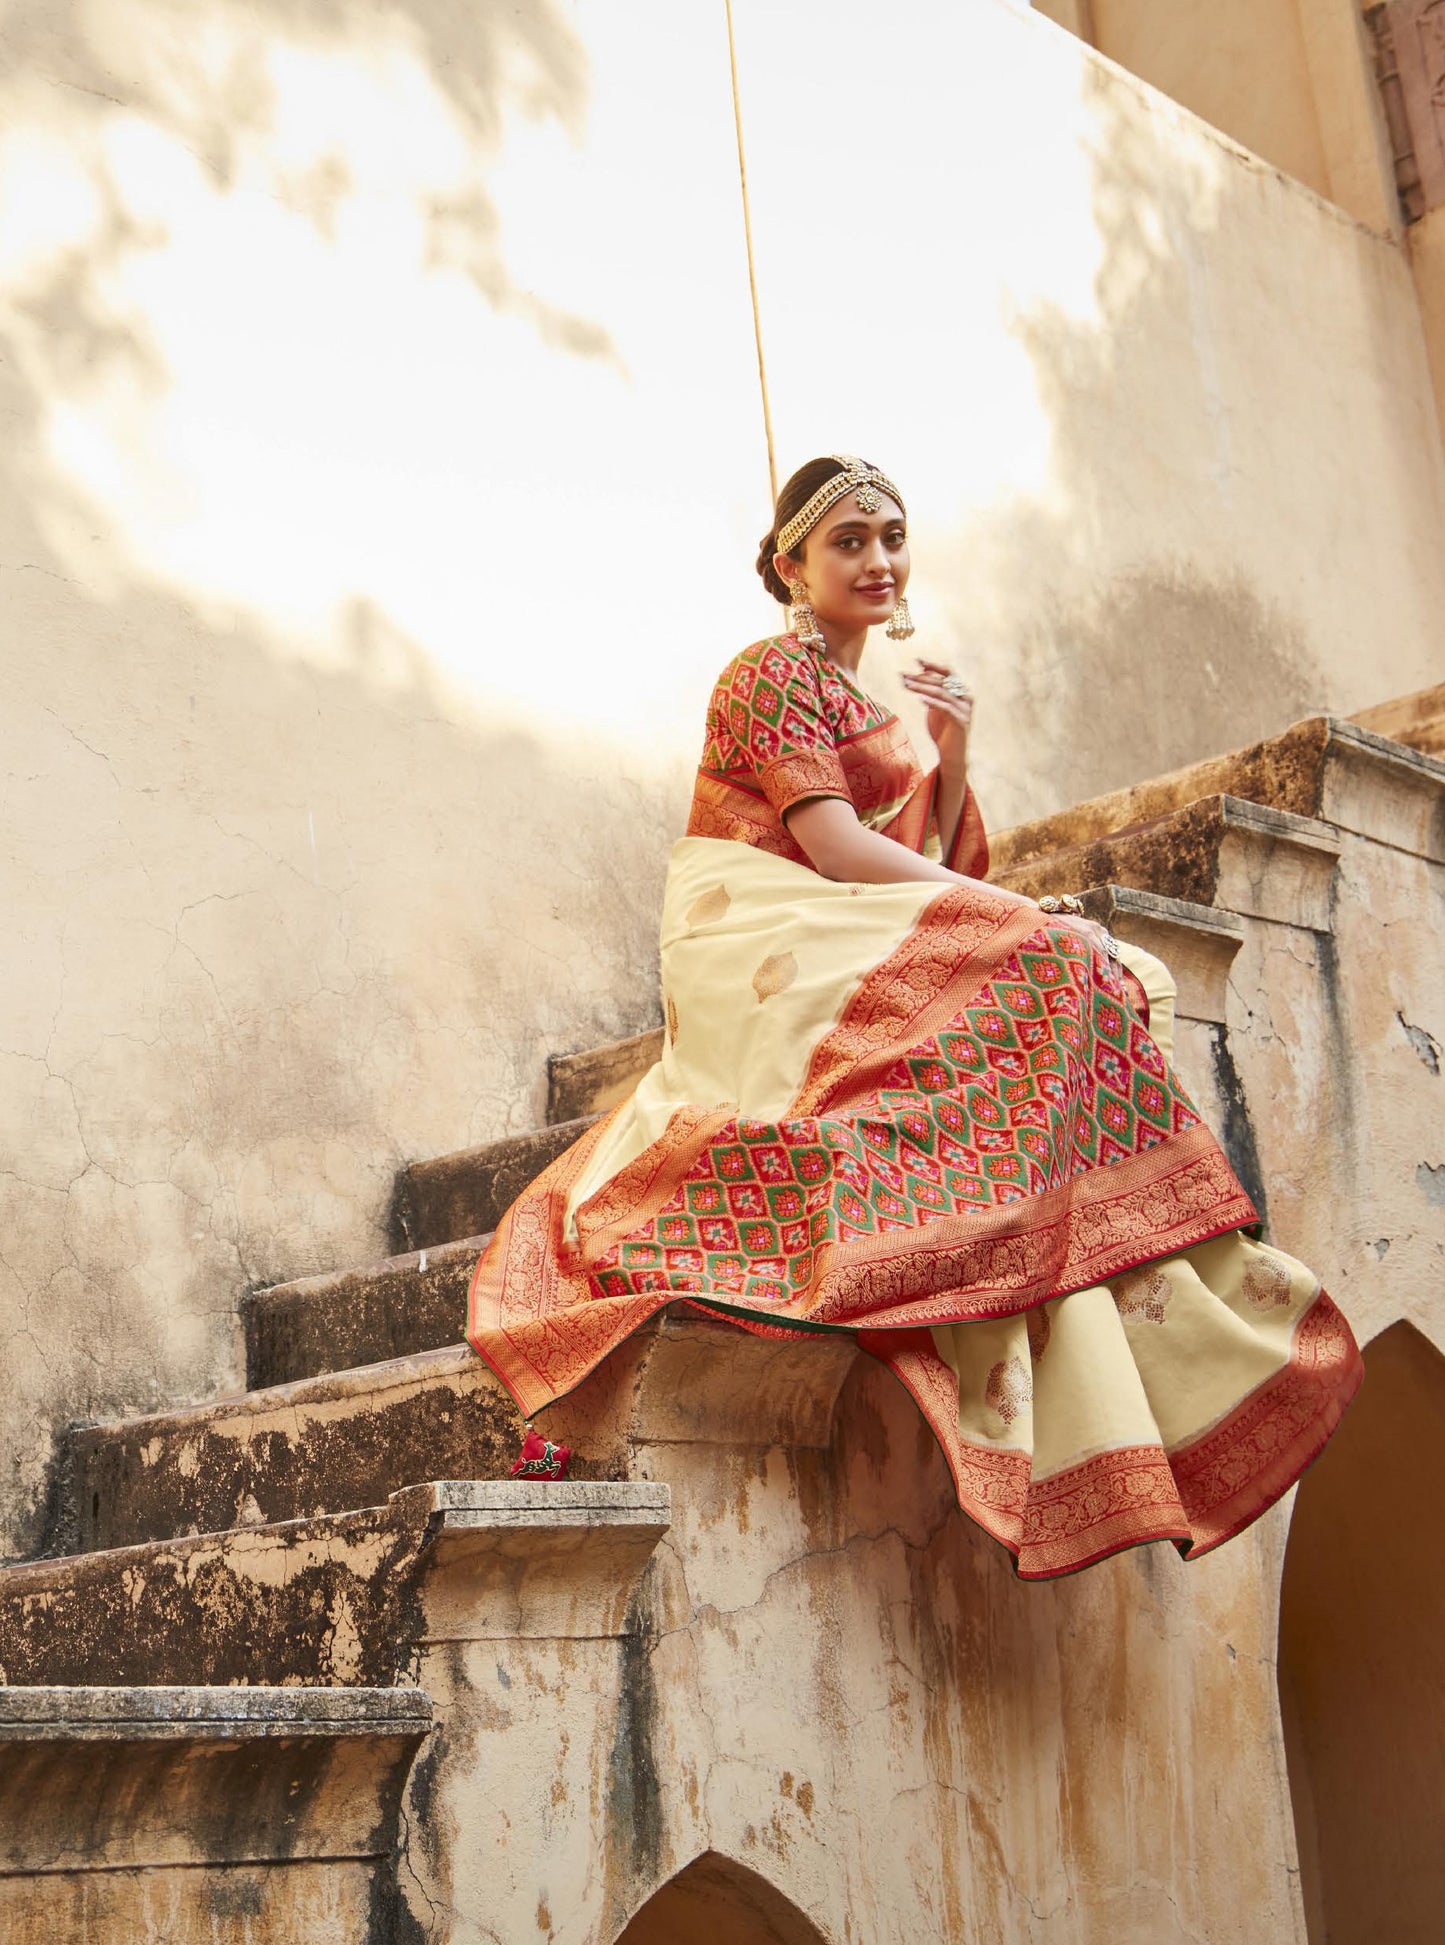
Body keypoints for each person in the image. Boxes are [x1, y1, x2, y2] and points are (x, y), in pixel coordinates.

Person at [468, 454, 1361, 1578]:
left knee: (1085, 971)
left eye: (891, 536)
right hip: (755, 925)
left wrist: (951, 753)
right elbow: (837, 852)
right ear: (789, 563)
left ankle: (1052, 1261)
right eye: (847, 540)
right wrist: (1025, 910)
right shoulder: (765, 675)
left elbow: (920, 866)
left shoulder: (868, 705)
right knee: (1050, 958)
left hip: (835, 915)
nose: (878, 559)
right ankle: (957, 1232)